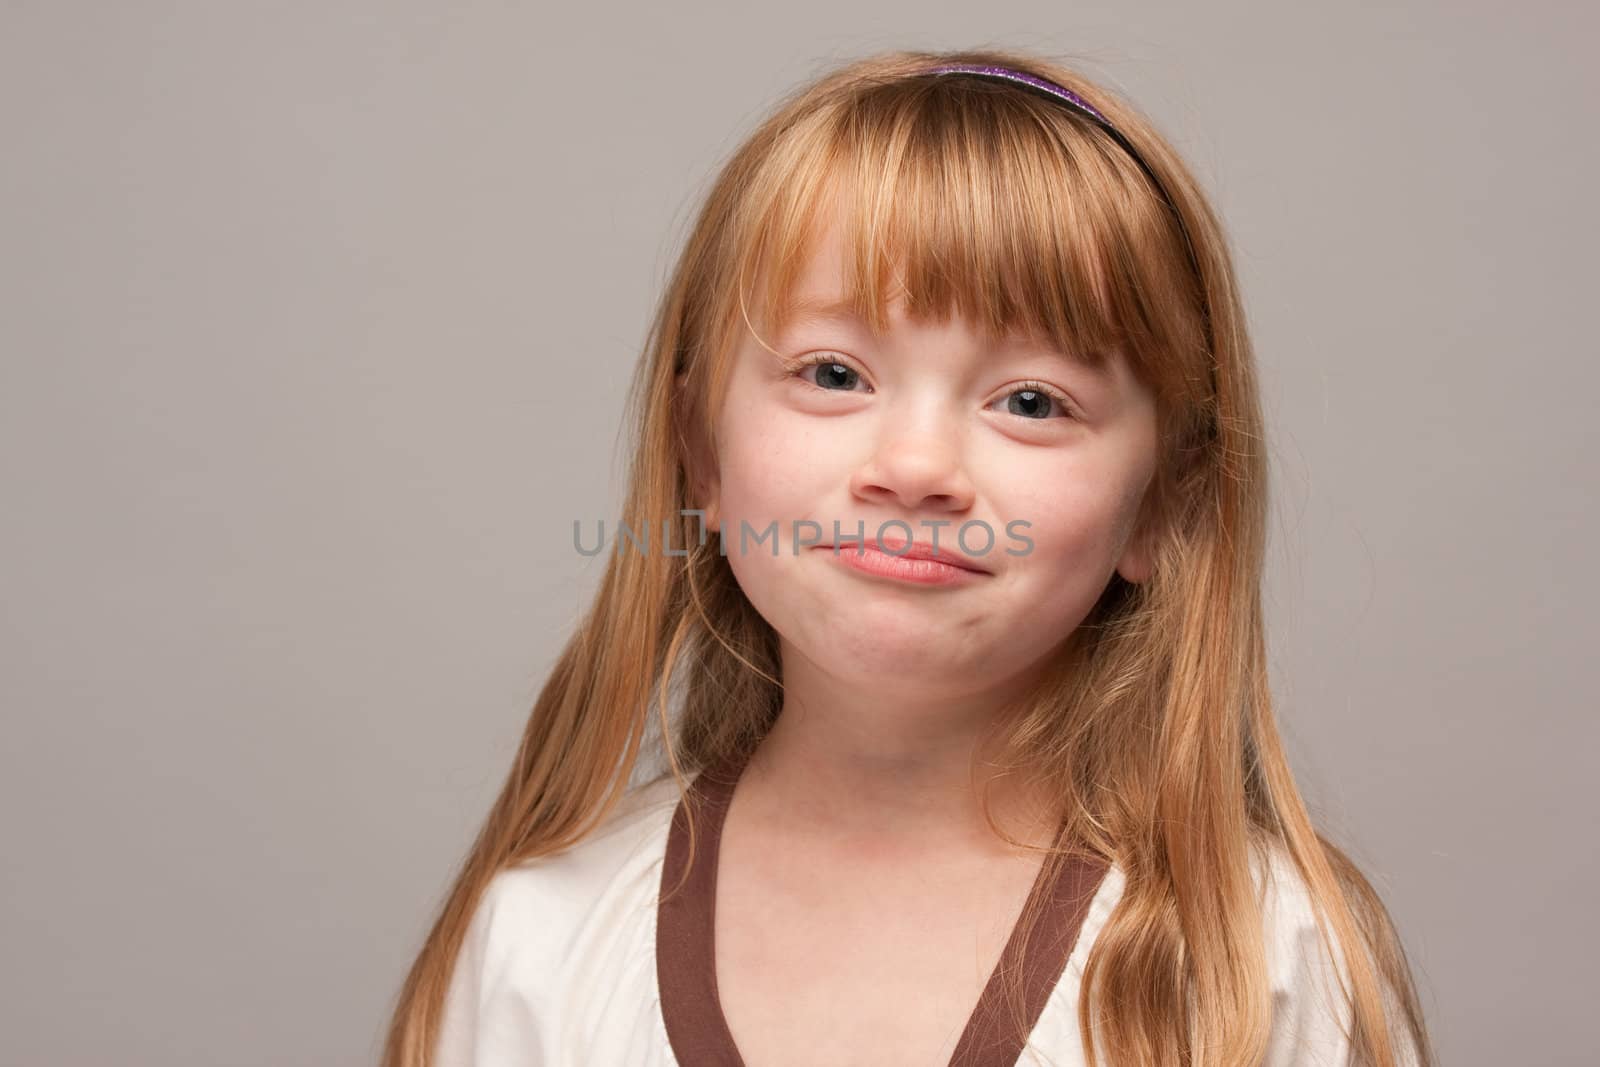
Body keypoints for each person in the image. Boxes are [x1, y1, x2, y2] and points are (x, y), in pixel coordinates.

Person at [381, 47, 1435, 1067]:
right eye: (834, 373)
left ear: (1163, 505)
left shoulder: (1260, 960)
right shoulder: (540, 941)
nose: (916, 466)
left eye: (1030, 401)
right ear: (699, 451)